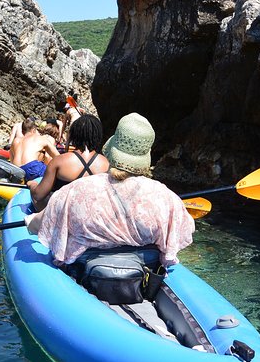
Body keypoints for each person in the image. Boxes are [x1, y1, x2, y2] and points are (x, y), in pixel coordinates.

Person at [25, 112, 195, 267]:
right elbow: (187, 229)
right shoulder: (167, 197)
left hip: (87, 269)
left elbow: (39, 224)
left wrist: (29, 222)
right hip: (143, 269)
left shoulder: (74, 192)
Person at [27, 114, 109, 211]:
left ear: (74, 135)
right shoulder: (106, 164)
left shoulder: (58, 161)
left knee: (38, 200)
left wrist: (32, 184)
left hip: (63, 213)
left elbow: (38, 195)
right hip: (92, 213)